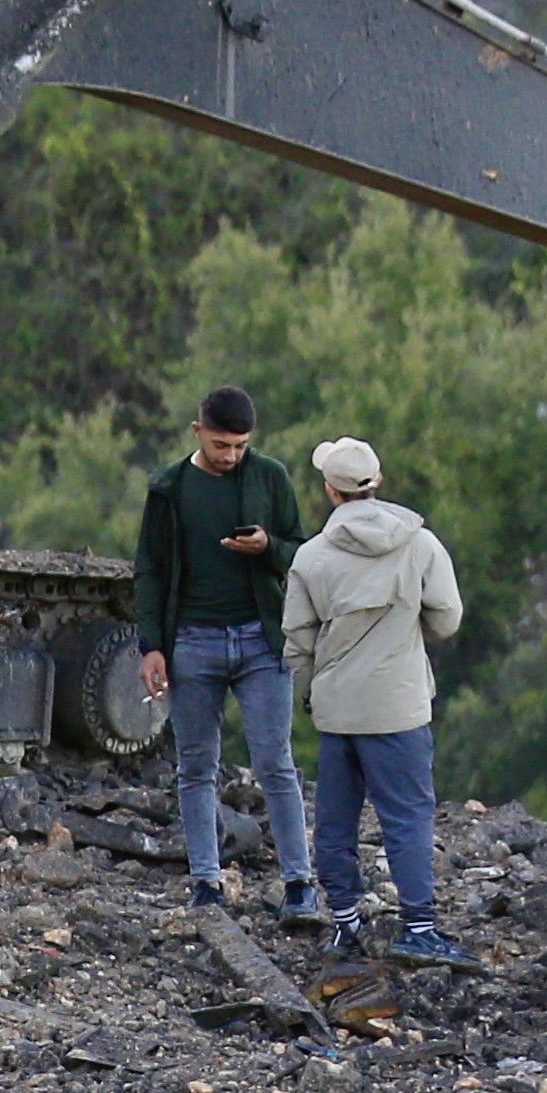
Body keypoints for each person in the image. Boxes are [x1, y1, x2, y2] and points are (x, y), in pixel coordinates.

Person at [129, 384, 318, 918]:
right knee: (195, 764)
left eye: (238, 446)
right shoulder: (169, 487)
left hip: (261, 639)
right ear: (198, 433)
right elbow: (150, 570)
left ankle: (299, 882)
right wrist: (152, 647)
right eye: (220, 446)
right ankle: (206, 882)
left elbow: (301, 552)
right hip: (192, 640)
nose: (230, 456)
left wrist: (268, 549)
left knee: (275, 763)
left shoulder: (270, 477)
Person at [283, 437, 466, 965]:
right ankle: (419, 926)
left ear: (329, 491)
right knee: (408, 818)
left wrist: (315, 688)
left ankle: (344, 921)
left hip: (339, 709)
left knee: (336, 822)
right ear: (376, 482)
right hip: (400, 705)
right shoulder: (421, 544)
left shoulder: (311, 557)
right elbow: (447, 618)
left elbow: (297, 640)